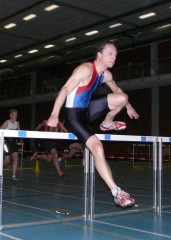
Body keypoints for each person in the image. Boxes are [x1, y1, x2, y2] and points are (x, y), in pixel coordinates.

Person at [47, 42, 139, 207]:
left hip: (88, 109)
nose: (114, 57)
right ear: (99, 54)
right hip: (74, 114)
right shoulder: (85, 69)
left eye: (116, 54)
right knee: (97, 148)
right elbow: (64, 89)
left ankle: (107, 123)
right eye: (111, 53)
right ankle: (117, 193)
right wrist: (54, 114)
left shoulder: (106, 75)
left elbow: (117, 90)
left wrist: (129, 106)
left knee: (123, 98)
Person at [0, 109, 21, 181]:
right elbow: (0, 130)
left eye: (16, 115)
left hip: (14, 143)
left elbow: (19, 132)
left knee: (16, 158)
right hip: (7, 143)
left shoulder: (17, 123)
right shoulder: (7, 122)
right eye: (14, 115)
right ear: (10, 115)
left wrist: (21, 139)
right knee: (7, 161)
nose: (15, 116)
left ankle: (13, 176)